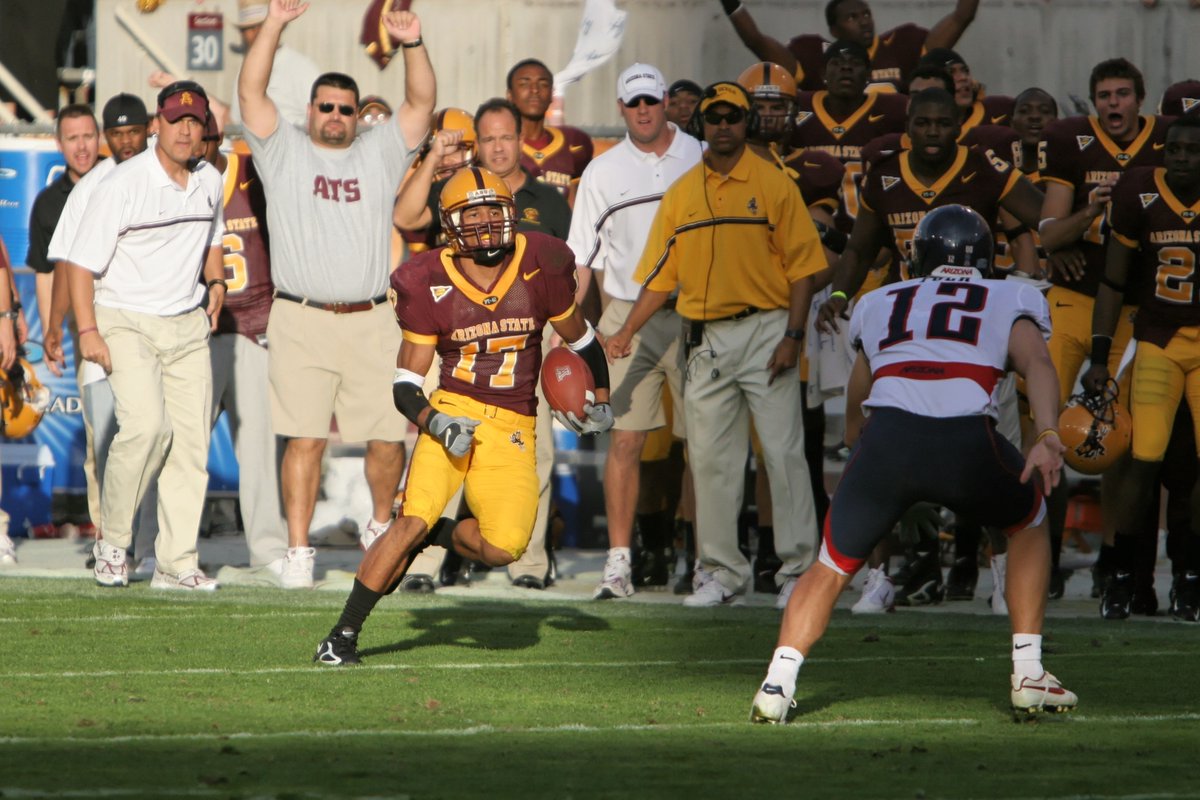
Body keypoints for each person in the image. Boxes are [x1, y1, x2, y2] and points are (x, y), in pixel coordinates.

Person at [750, 205, 1075, 724]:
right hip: (965, 439)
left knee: (831, 565)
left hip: (889, 439)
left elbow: (860, 391)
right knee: (1029, 517)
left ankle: (776, 682)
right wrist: (1049, 434)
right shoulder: (1011, 295)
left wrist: (861, 447)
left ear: (918, 256)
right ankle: (1029, 671)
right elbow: (1036, 361)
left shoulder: (879, 300)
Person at [314, 167, 612, 665]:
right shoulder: (425, 279)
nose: (484, 224)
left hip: (515, 423)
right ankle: (341, 635)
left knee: (503, 548)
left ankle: (441, 533)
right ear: (450, 226)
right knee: (409, 521)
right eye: (470, 215)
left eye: (492, 211)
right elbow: (406, 385)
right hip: (454, 409)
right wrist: (437, 422)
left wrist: (601, 394)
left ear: (510, 213)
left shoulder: (541, 260)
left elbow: (581, 339)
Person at [237, 0, 434, 588]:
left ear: (356, 117)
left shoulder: (378, 152)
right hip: (301, 317)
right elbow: (251, 92)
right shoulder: (284, 150)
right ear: (311, 110)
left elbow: (421, 103)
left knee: (387, 438)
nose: (335, 116)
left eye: (346, 109)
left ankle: (378, 528)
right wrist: (272, 23)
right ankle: (299, 552)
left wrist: (415, 44)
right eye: (325, 106)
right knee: (304, 440)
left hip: (373, 319)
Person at [605, 81, 825, 607]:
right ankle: (722, 571)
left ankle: (798, 569)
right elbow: (659, 277)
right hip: (703, 337)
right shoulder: (682, 192)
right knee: (709, 460)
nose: (723, 124)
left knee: (783, 453)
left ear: (745, 123)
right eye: (714, 116)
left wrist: (794, 335)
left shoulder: (774, 184)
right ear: (701, 124)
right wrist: (627, 330)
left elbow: (805, 270)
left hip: (768, 330)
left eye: (733, 116)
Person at [395, 98, 572, 591]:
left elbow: (572, 274)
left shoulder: (549, 200)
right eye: (487, 138)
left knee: (532, 457)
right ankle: (426, 558)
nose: (496, 147)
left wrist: (566, 332)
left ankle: (529, 562)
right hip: (456, 341)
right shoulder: (460, 190)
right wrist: (434, 157)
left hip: (524, 348)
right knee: (444, 449)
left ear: (521, 139)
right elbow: (407, 217)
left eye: (505, 137)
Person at [65, 81, 227, 591]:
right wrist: (87, 329)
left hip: (185, 322)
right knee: (146, 428)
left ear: (204, 130)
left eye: (193, 121)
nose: (184, 130)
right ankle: (113, 541)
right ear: (156, 124)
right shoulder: (121, 184)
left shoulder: (210, 180)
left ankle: (176, 563)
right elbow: (78, 264)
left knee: (191, 445)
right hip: (123, 317)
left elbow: (214, 236)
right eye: (175, 120)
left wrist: (217, 281)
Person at [1038, 57, 1169, 613]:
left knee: (1120, 440)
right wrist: (1090, 215)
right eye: (1104, 96)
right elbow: (1048, 234)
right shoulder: (1071, 141)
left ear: (1141, 99)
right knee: (1040, 430)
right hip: (1074, 302)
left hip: (1134, 311)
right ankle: (1035, 556)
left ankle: (1112, 561)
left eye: (1122, 94)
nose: (1113, 105)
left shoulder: (1167, 142)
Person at [571, 63, 702, 600]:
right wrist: (569, 330)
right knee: (624, 442)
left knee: (703, 446)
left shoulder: (698, 155)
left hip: (695, 309)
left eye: (651, 101)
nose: (643, 111)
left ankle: (703, 561)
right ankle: (618, 564)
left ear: (667, 101)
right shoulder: (601, 172)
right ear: (621, 108)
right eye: (634, 103)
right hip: (623, 312)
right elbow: (582, 259)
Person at [1082, 115, 1200, 622]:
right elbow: (1112, 282)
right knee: (1145, 456)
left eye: (1191, 150)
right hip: (1158, 339)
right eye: (1173, 148)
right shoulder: (1139, 193)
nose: (1180, 157)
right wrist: (1099, 354)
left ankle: (1190, 577)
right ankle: (1123, 574)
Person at [44, 93, 161, 579]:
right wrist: (56, 327)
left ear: (149, 128)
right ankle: (110, 542)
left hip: (157, 325)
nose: (126, 140)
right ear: (106, 139)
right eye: (117, 133)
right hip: (102, 332)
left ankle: (152, 543)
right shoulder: (92, 186)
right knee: (105, 442)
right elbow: (71, 261)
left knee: (155, 438)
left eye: (133, 130)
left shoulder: (167, 175)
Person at [200, 112, 289, 578]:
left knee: (258, 447)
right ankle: (154, 544)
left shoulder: (253, 172)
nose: (197, 141)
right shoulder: (173, 176)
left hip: (253, 325)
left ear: (220, 136)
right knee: (175, 444)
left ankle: (269, 549)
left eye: (206, 133)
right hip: (194, 333)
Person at [720, 0, 979, 92]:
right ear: (834, 30)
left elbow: (961, 17)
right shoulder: (814, 54)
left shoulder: (902, 44)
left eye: (866, 14)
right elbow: (756, 40)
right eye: (852, 18)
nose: (864, 22)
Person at [789, 40, 907, 232]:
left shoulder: (894, 110)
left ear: (869, 75)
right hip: (812, 237)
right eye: (836, 63)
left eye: (855, 63)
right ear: (823, 74)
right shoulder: (798, 107)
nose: (845, 67)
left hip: (871, 241)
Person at [149, 0, 319, 131]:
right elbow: (231, 120)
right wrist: (180, 86)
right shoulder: (245, 71)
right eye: (248, 28)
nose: (254, 33)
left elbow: (320, 121)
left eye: (260, 25)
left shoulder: (300, 68)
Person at [27, 104, 99, 337]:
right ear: (59, 144)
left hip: (132, 313)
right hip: (82, 325)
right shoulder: (47, 202)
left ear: (99, 137)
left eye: (88, 136)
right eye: (72, 138)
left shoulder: (123, 179)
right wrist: (50, 331)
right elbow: (46, 272)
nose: (81, 147)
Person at [506, 58, 593, 203]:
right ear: (509, 95)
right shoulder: (497, 146)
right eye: (524, 84)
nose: (534, 90)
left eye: (543, 84)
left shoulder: (575, 143)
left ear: (552, 94)